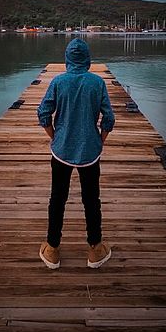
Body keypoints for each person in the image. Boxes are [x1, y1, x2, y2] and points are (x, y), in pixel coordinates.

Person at [37, 38, 115, 269]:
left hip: (61, 151)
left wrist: (54, 136)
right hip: (90, 151)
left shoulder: (58, 82)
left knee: (57, 198)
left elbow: (43, 113)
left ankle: (52, 248)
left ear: (68, 59)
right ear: (88, 59)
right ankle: (95, 249)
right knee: (91, 199)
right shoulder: (97, 82)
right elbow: (108, 118)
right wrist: (100, 140)